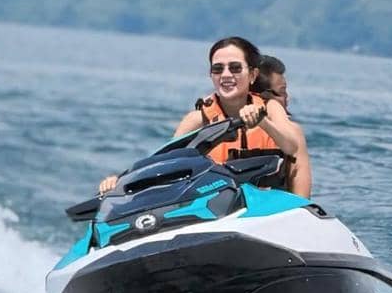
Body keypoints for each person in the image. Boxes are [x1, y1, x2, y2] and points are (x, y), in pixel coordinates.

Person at [98, 36, 301, 194]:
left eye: (235, 68)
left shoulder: (271, 108)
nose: (226, 75)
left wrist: (262, 122)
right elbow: (163, 164)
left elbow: (292, 147)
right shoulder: (197, 119)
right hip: (221, 209)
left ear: (253, 75)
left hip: (267, 205)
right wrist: (120, 181)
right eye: (218, 69)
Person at [255, 54, 312, 198]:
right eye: (282, 92)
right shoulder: (223, 126)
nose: (287, 98)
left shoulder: (292, 133)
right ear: (262, 95)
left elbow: (302, 199)